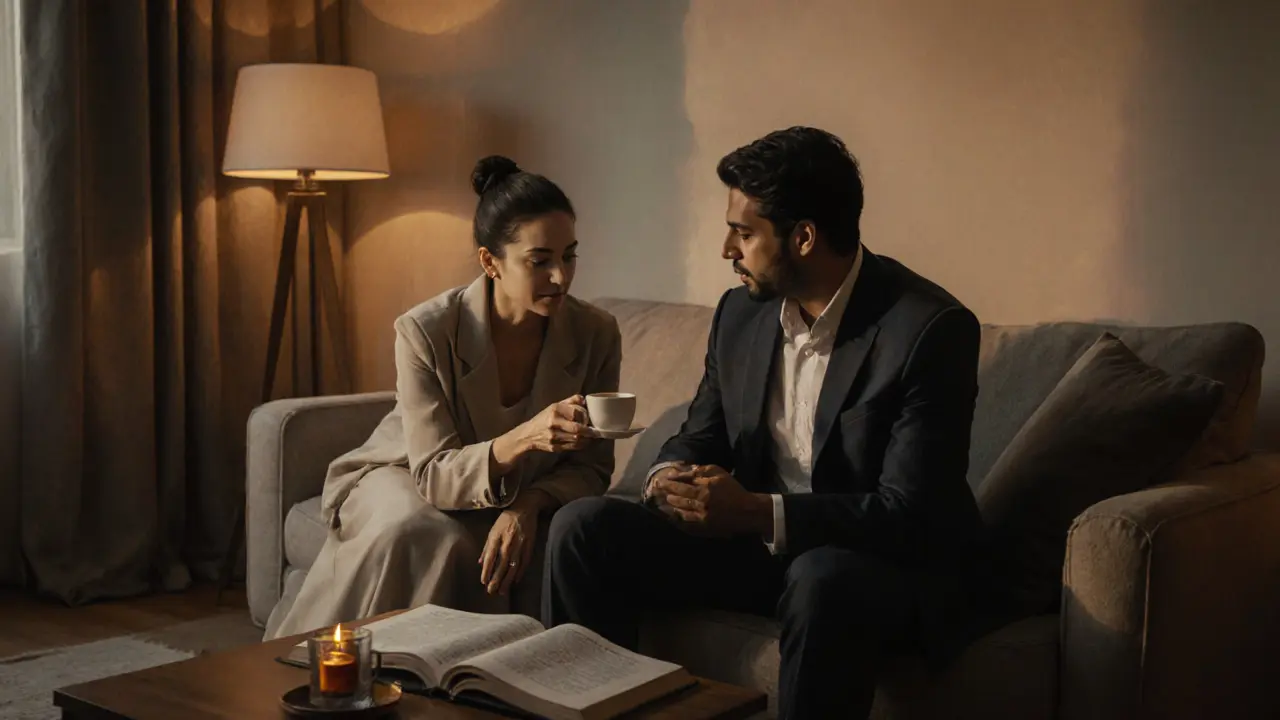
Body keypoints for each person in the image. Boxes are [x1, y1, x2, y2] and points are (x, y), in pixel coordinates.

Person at [542, 127, 986, 719]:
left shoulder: (929, 330)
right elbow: (702, 432)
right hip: (758, 551)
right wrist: (668, 477)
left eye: (744, 233)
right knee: (582, 528)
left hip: (876, 564)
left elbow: (909, 513)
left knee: (820, 577)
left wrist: (754, 511)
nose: (727, 249)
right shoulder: (741, 313)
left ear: (803, 237)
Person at [267, 156, 621, 639]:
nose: (561, 276)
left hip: (507, 493)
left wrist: (529, 505)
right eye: (540, 262)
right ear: (489, 261)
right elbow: (433, 473)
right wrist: (526, 437)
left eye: (570, 256)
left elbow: (594, 467)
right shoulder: (426, 330)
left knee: (468, 539)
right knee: (424, 532)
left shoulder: (595, 333)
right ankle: (338, 665)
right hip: (405, 471)